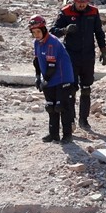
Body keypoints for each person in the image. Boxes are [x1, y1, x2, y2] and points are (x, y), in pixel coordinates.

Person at [51, 0, 106, 132]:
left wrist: (104, 51)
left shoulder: (93, 12)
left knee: (86, 89)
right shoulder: (65, 12)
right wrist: (65, 30)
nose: (83, 3)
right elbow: (52, 32)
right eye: (80, 0)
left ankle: (84, 119)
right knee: (71, 89)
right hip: (70, 56)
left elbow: (99, 32)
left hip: (88, 56)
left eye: (85, 0)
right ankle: (71, 120)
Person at [30, 15, 77, 144]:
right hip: (49, 78)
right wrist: (37, 77)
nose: (36, 35)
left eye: (38, 31)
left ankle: (67, 135)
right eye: (34, 32)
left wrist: (45, 80)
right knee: (50, 106)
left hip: (62, 78)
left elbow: (52, 65)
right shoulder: (37, 43)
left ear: (44, 29)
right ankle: (53, 134)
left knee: (61, 107)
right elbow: (37, 61)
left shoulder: (52, 43)